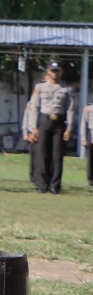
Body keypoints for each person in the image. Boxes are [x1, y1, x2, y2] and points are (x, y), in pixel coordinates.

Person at [25, 61, 77, 195]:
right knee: (42, 154)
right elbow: (34, 108)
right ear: (48, 72)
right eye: (53, 70)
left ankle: (55, 185)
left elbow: (70, 110)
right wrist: (33, 128)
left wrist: (69, 128)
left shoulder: (67, 88)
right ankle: (42, 184)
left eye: (57, 70)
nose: (55, 73)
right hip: (44, 121)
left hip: (59, 123)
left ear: (61, 72)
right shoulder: (40, 87)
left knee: (57, 155)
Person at [81, 98, 93, 189]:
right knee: (90, 159)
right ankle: (91, 179)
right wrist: (83, 138)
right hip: (90, 133)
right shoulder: (88, 108)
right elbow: (83, 124)